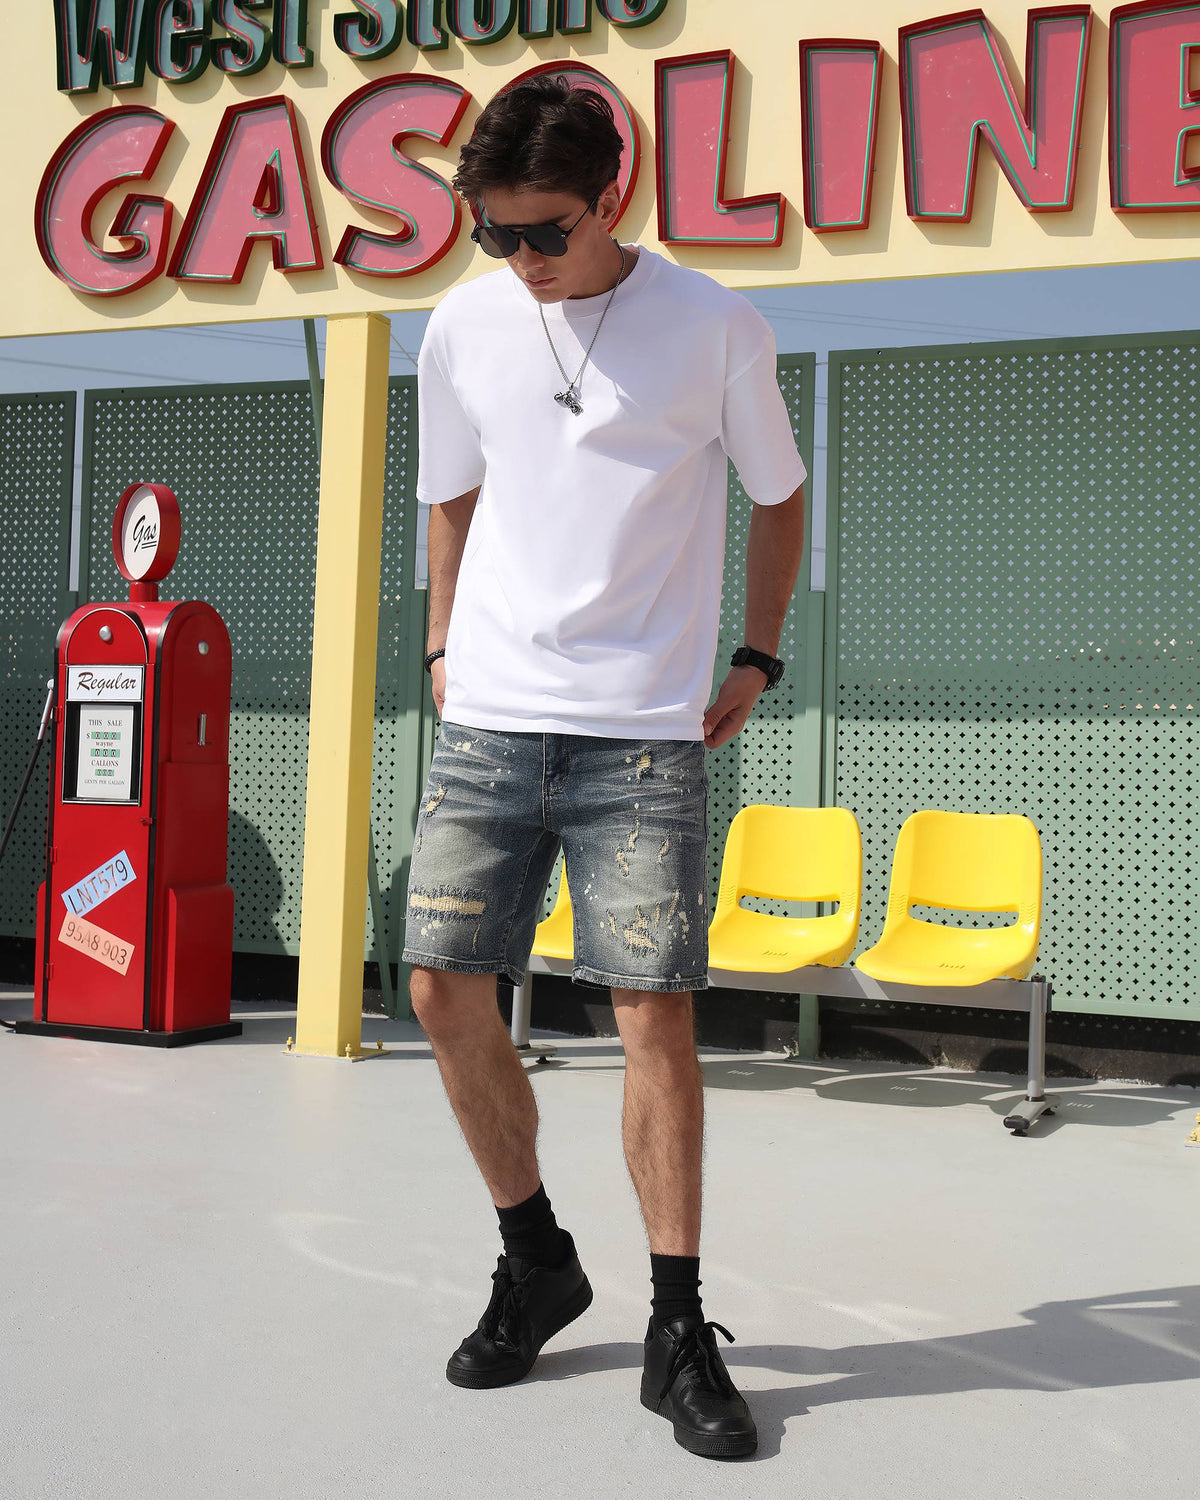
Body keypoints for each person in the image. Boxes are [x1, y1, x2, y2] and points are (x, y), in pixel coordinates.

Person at [401, 74, 807, 1461]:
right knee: (440, 987)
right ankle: (536, 1261)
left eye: (546, 232)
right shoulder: (461, 325)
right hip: (489, 716)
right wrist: (442, 643)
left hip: (640, 726)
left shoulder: (713, 324)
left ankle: (678, 1326)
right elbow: (451, 493)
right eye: (495, 233)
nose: (521, 259)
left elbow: (779, 495)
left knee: (653, 1014)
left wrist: (757, 656)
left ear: (612, 198)